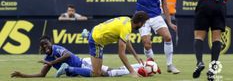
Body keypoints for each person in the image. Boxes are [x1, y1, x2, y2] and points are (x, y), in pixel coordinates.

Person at [121, 0, 180, 74]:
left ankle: (170, 65)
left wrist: (169, 23)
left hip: (156, 16)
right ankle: (153, 65)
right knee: (147, 44)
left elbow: (165, 5)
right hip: (142, 17)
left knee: (168, 37)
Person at [10, 36, 148, 78]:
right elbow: (41, 74)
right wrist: (22, 75)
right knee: (109, 73)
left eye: (47, 44)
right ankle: (139, 66)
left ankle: (140, 67)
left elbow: (68, 54)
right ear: (41, 48)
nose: (46, 47)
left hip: (84, 64)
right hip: (80, 69)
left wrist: (52, 63)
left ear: (50, 43)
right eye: (43, 46)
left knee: (109, 73)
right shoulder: (48, 58)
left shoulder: (56, 48)